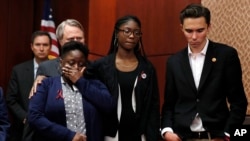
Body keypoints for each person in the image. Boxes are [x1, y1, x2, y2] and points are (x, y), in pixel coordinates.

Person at [161, 3, 248, 141]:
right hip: (182, 136)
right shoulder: (174, 62)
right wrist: (166, 131)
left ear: (209, 27)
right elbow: (169, 104)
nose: (194, 37)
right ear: (181, 28)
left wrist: (227, 134)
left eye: (200, 30)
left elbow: (238, 102)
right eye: (189, 31)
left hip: (216, 136)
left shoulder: (226, 55)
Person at [88, 15, 160, 141]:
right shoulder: (101, 66)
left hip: (139, 135)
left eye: (136, 32)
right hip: (109, 135)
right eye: (127, 31)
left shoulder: (147, 68)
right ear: (116, 33)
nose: (132, 36)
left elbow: (153, 108)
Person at [28, 41, 115, 141]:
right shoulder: (46, 84)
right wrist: (69, 135)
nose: (76, 68)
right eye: (71, 63)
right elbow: (34, 117)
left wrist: (80, 81)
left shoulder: (95, 84)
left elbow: (109, 106)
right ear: (61, 63)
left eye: (81, 64)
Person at [6, 31, 52, 141]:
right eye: (37, 45)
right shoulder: (18, 70)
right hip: (24, 128)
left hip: (51, 126)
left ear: (50, 47)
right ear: (31, 47)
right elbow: (11, 99)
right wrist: (26, 118)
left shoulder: (58, 70)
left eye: (45, 45)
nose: (41, 49)